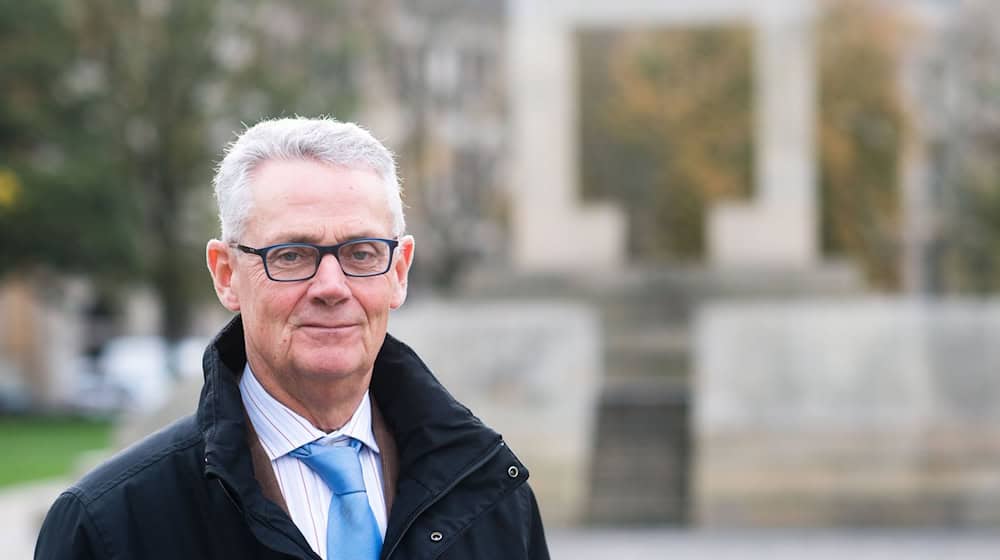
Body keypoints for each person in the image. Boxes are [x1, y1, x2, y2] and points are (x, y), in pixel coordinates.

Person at [35, 117, 550, 559]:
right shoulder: (109, 527)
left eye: (362, 253)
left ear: (399, 270)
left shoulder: (491, 497)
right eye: (292, 255)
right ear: (226, 274)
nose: (332, 287)